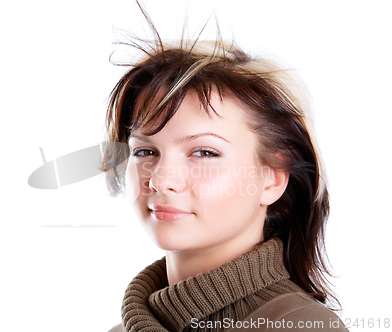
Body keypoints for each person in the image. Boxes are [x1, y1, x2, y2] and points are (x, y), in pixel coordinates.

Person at [102, 3, 348, 331]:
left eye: (204, 153)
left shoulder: (300, 325)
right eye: (145, 151)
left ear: (273, 178)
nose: (161, 180)